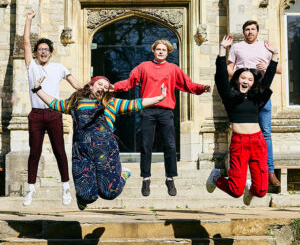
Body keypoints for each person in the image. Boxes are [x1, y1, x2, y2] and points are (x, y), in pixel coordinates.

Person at [33, 75, 167, 210]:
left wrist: (160, 98)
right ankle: (82, 198)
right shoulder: (75, 102)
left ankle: (123, 173)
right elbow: (54, 104)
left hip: (106, 152)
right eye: (100, 84)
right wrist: (38, 89)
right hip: (82, 153)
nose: (102, 87)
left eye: (106, 87)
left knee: (109, 193)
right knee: (86, 196)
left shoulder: (112, 103)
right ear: (91, 85)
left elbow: (136, 103)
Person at [112, 39, 210, 197]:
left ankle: (170, 178)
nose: (161, 52)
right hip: (148, 110)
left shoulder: (173, 69)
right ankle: (146, 178)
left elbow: (188, 84)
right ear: (153, 50)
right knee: (145, 145)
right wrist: (113, 87)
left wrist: (202, 88)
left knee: (170, 145)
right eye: (158, 49)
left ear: (168, 52)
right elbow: (129, 82)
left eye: (164, 50)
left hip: (165, 112)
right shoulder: (143, 67)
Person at [206, 35, 279, 205]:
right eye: (243, 77)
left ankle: (250, 190)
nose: (246, 80)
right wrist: (222, 49)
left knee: (261, 191)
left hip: (258, 142)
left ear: (253, 83)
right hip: (239, 143)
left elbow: (267, 78)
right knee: (235, 190)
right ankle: (217, 178)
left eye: (250, 79)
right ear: (237, 79)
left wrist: (274, 55)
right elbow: (222, 75)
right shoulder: (229, 95)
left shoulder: (257, 97)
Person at [23, 11, 82, 206]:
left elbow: (75, 83)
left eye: (46, 49)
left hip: (54, 113)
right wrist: (28, 20)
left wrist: (91, 90)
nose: (43, 52)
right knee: (35, 152)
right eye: (40, 49)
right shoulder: (31, 66)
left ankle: (66, 187)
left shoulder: (58, 67)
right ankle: (30, 188)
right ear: (36, 52)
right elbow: (24, 43)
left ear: (50, 51)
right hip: (36, 115)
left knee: (59, 151)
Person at [227, 20, 282, 187]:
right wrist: (237, 76)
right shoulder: (236, 47)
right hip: (242, 96)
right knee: (240, 133)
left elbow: (279, 69)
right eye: (247, 29)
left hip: (261, 93)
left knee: (265, 133)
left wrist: (267, 66)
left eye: (253, 29)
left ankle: (270, 172)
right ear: (243, 32)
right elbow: (229, 68)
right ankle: (239, 173)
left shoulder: (266, 46)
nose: (250, 32)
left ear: (257, 31)